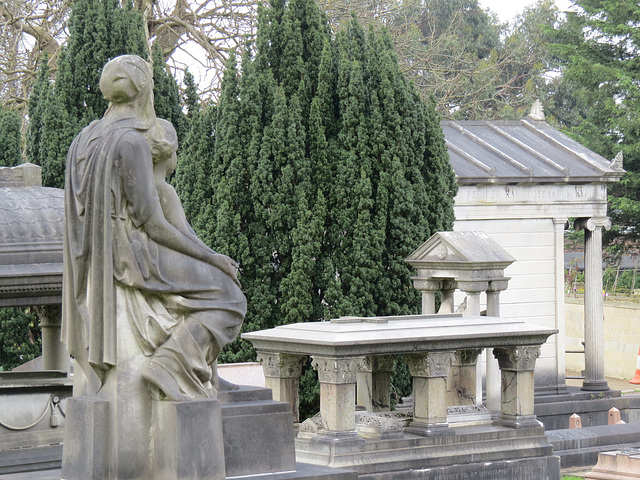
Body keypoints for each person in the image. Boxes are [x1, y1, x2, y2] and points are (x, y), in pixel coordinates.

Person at [62, 55, 246, 402]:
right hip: (133, 257)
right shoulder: (130, 142)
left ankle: (188, 366)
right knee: (229, 296)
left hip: (96, 260)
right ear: (144, 88)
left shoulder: (82, 140)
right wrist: (213, 258)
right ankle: (173, 362)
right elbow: (153, 223)